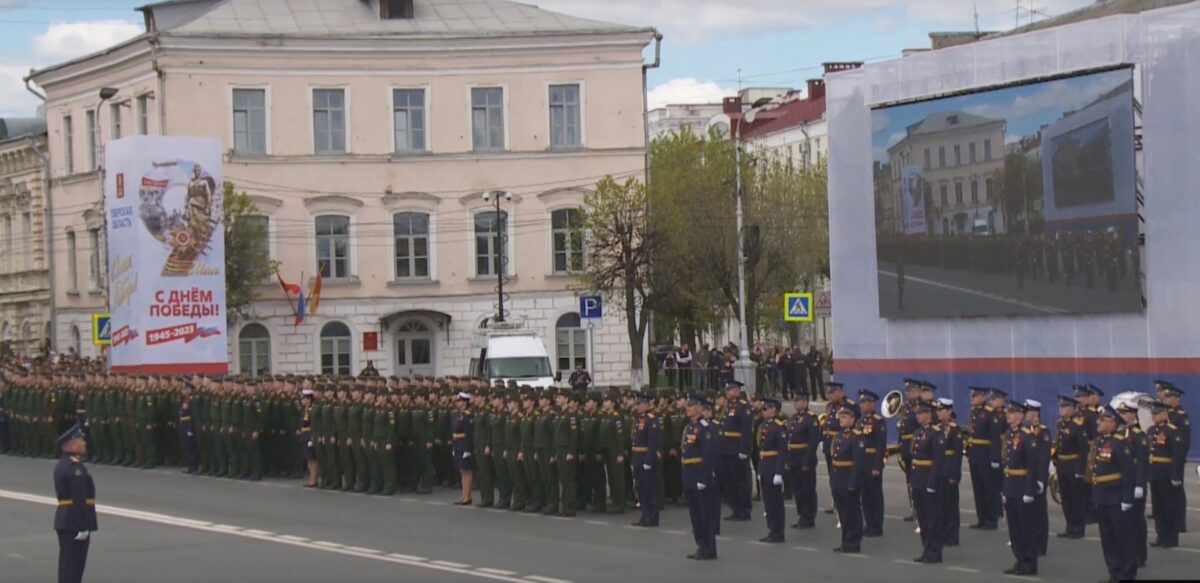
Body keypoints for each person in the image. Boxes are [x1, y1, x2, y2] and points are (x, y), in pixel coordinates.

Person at [1092, 405, 1138, 583]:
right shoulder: (1100, 441)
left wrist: (1128, 498)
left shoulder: (1120, 443)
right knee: (1107, 537)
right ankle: (1114, 571)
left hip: (1116, 497)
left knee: (1122, 537)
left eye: (1103, 420)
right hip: (1102, 496)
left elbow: (1129, 472)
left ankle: (1127, 573)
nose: (1099, 422)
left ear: (1113, 423)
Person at [54, 423, 97, 583]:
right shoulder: (74, 469)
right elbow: (80, 500)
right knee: (72, 568)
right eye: (81, 440)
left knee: (69, 565)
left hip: (67, 520)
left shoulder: (66, 464)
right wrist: (82, 526)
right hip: (74, 522)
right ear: (72, 444)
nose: (84, 443)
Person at [1002, 400, 1040, 577]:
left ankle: (1029, 562)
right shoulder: (1009, 435)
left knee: (1026, 527)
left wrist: (1029, 490)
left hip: (1022, 486)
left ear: (1020, 415)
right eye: (1008, 412)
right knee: (1014, 528)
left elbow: (1033, 465)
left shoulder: (1027, 436)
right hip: (1011, 486)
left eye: (1012, 412)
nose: (1008, 415)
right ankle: (1019, 558)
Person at [682, 393, 719, 560]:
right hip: (690, 476)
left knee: (705, 514)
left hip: (700, 477)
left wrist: (703, 479)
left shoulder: (706, 429)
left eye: (691, 405)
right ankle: (701, 545)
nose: (687, 408)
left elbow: (708, 455)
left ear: (699, 408)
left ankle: (709, 548)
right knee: (695, 516)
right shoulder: (691, 427)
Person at [910, 401, 946, 563]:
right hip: (918, 479)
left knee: (933, 518)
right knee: (923, 518)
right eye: (917, 413)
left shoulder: (936, 433)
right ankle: (926, 548)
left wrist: (932, 483)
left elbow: (938, 461)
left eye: (920, 413)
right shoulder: (918, 432)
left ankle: (935, 551)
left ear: (928, 415)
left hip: (928, 480)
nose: (917, 416)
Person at [1147, 399, 1185, 549]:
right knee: (1158, 507)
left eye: (1156, 414)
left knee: (1169, 507)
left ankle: (1171, 537)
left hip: (1166, 474)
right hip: (1154, 474)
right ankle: (1161, 535)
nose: (1153, 416)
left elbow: (1178, 456)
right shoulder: (1151, 430)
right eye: (1152, 413)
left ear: (1164, 414)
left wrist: (1176, 476)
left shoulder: (1173, 431)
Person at [1116, 400, 1149, 567]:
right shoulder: (1121, 434)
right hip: (1123, 484)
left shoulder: (1139, 436)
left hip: (1135, 484)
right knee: (1125, 522)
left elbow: (1142, 462)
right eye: (1120, 413)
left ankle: (1139, 555)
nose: (1121, 416)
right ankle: (1128, 553)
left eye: (1124, 413)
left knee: (1136, 521)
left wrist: (1139, 485)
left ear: (1133, 414)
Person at [830, 403, 865, 553]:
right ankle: (845, 540)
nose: (841, 419)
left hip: (848, 479)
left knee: (853, 512)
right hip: (838, 479)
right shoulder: (838, 436)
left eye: (844, 417)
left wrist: (853, 483)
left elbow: (858, 463)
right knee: (843, 513)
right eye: (840, 416)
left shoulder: (856, 437)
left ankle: (854, 541)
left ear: (852, 419)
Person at [967, 386, 1002, 530]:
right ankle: (981, 517)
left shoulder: (989, 413)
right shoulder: (973, 412)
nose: (972, 398)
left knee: (989, 487)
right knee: (978, 488)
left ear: (983, 397)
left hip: (985, 454)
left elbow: (995, 437)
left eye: (975, 396)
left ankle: (991, 518)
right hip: (974, 454)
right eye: (972, 395)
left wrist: (994, 457)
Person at [1053, 395, 1088, 539]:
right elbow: (1058, 445)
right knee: (1066, 497)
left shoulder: (1078, 426)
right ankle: (1070, 525)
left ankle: (1078, 527)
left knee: (1076, 498)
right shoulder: (1060, 425)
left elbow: (1083, 450)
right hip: (1062, 465)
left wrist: (1080, 470)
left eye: (1064, 407)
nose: (1061, 409)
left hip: (1073, 465)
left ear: (1072, 409)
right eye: (1060, 406)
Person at [718, 380, 753, 521]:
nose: (727, 392)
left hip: (736, 448)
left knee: (740, 481)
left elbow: (746, 430)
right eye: (727, 390)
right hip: (726, 448)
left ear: (737, 391)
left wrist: (743, 449)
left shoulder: (743, 407)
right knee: (729, 481)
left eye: (730, 389)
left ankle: (744, 509)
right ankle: (736, 508)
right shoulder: (729, 407)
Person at [787, 391, 820, 529]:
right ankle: (802, 515)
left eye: (798, 401)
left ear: (805, 402)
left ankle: (809, 516)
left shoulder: (811, 419)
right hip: (794, 457)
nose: (795, 403)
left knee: (807, 488)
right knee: (798, 489)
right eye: (795, 401)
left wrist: (807, 461)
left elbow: (812, 443)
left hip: (804, 457)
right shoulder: (794, 418)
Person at [1023, 399, 1051, 557]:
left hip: (1038, 476)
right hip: (1027, 476)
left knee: (1039, 511)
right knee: (1028, 511)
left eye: (1028, 411)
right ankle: (1031, 541)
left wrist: (1040, 479)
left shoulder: (1043, 431)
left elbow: (1043, 457)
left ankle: (1041, 544)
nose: (1026, 414)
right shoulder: (1026, 430)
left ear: (1035, 413)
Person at [757, 398, 787, 543]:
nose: (763, 412)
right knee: (768, 502)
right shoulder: (764, 425)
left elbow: (782, 451)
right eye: (762, 409)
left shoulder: (778, 427)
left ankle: (778, 531)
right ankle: (772, 529)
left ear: (773, 410)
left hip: (773, 466)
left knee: (776, 502)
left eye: (765, 409)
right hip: (765, 466)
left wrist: (779, 472)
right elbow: (761, 449)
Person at [856, 389, 886, 537]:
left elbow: (881, 446)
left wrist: (877, 466)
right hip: (861, 463)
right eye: (861, 402)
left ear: (872, 403)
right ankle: (868, 523)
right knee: (865, 496)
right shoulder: (860, 422)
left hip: (872, 462)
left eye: (865, 402)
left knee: (875, 496)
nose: (862, 405)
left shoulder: (878, 421)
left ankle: (876, 525)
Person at [630, 392, 661, 527]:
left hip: (646, 458)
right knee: (641, 488)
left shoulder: (651, 420)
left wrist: (648, 461)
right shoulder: (639, 419)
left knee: (650, 489)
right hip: (637, 457)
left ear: (646, 405)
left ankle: (652, 517)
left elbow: (652, 443)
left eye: (639, 404)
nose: (636, 407)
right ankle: (645, 514)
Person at [936, 397, 963, 547]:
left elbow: (957, 455)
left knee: (951, 505)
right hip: (939, 470)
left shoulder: (955, 430)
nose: (939, 413)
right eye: (938, 411)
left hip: (949, 469)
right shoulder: (937, 428)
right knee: (940, 505)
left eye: (942, 411)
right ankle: (942, 533)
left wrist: (955, 475)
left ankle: (952, 535)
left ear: (949, 411)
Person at [451, 392, 475, 505]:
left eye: (459, 400)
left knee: (467, 471)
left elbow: (468, 433)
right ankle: (463, 495)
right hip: (457, 444)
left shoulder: (468, 415)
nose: (457, 402)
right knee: (462, 471)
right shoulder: (458, 414)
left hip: (464, 445)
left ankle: (468, 496)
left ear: (465, 402)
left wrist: (467, 449)